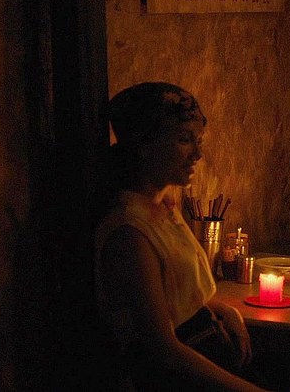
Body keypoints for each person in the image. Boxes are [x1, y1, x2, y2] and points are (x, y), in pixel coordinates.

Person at [92, 82, 269, 392]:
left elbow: (180, 294)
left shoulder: (163, 207)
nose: (197, 154)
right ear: (144, 143)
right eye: (185, 140)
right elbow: (162, 349)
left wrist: (226, 310)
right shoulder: (130, 233)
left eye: (198, 141)